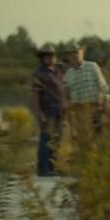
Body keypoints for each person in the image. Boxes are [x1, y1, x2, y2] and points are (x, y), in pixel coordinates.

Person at [30, 43, 65, 177]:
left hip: (59, 111)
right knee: (46, 140)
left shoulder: (58, 71)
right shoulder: (39, 73)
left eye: (53, 56)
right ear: (42, 58)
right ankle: (43, 169)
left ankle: (52, 167)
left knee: (56, 140)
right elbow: (35, 96)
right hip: (47, 111)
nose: (51, 58)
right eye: (48, 56)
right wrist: (39, 113)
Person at [62, 42, 108, 131]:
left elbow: (104, 87)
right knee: (83, 139)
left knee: (97, 138)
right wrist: (67, 116)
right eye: (71, 54)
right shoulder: (68, 74)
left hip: (95, 109)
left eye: (76, 52)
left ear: (82, 53)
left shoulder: (92, 66)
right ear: (68, 57)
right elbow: (66, 97)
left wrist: (104, 105)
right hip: (79, 113)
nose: (74, 55)